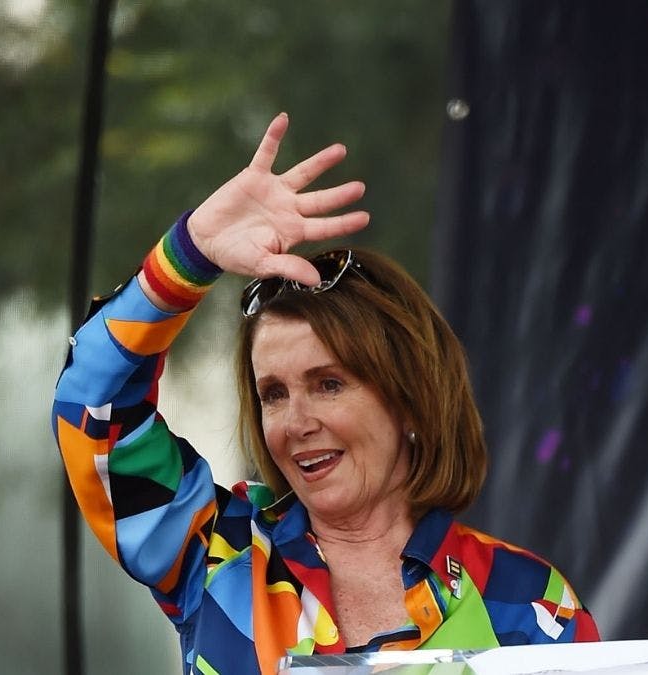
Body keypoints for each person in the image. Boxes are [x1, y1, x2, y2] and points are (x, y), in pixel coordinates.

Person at [52, 112, 599, 675]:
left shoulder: (526, 603)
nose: (296, 422)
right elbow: (94, 407)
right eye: (273, 394)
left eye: (328, 384)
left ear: (410, 398)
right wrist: (189, 255)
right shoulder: (219, 552)